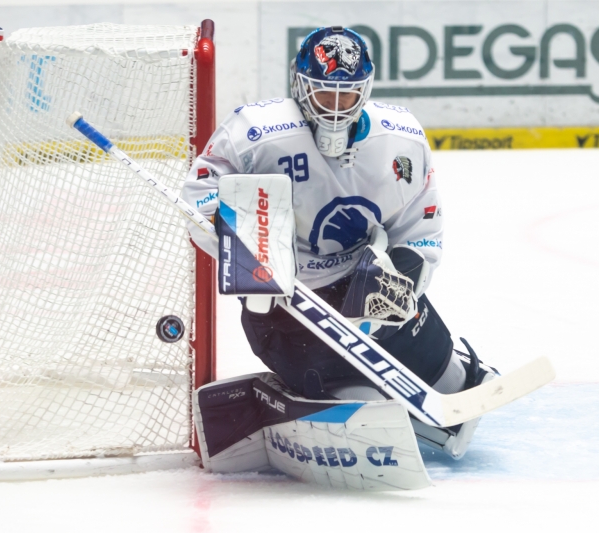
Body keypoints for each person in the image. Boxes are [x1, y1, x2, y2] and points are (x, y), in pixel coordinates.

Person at [180, 26, 497, 459]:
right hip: (284, 305)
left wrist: (399, 277)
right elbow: (199, 192)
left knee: (451, 381)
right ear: (299, 85)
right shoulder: (255, 132)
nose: (334, 107)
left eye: (346, 95)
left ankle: (449, 368)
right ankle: (342, 399)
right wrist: (233, 228)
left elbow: (422, 227)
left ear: (364, 91)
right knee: (359, 400)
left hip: (364, 285)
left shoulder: (400, 140)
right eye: (323, 93)